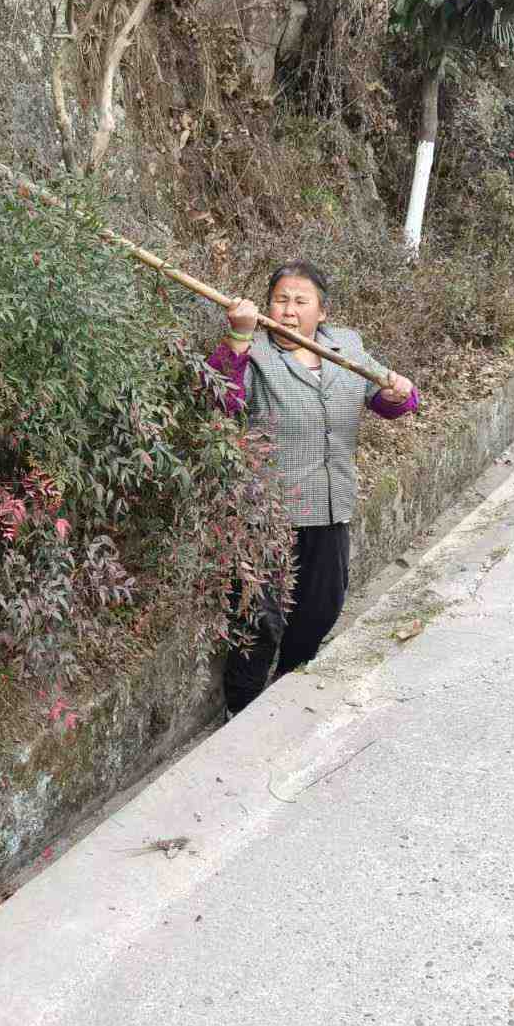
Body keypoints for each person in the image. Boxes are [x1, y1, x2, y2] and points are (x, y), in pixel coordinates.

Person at [203, 260, 418, 714]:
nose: (288, 310)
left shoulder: (346, 347)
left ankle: (288, 687)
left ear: (322, 312)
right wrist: (237, 337)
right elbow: (220, 400)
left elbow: (389, 401)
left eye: (301, 301)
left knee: (321, 608)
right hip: (269, 515)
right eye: (280, 300)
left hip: (331, 504)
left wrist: (400, 393)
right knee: (259, 621)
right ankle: (242, 709)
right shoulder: (253, 352)